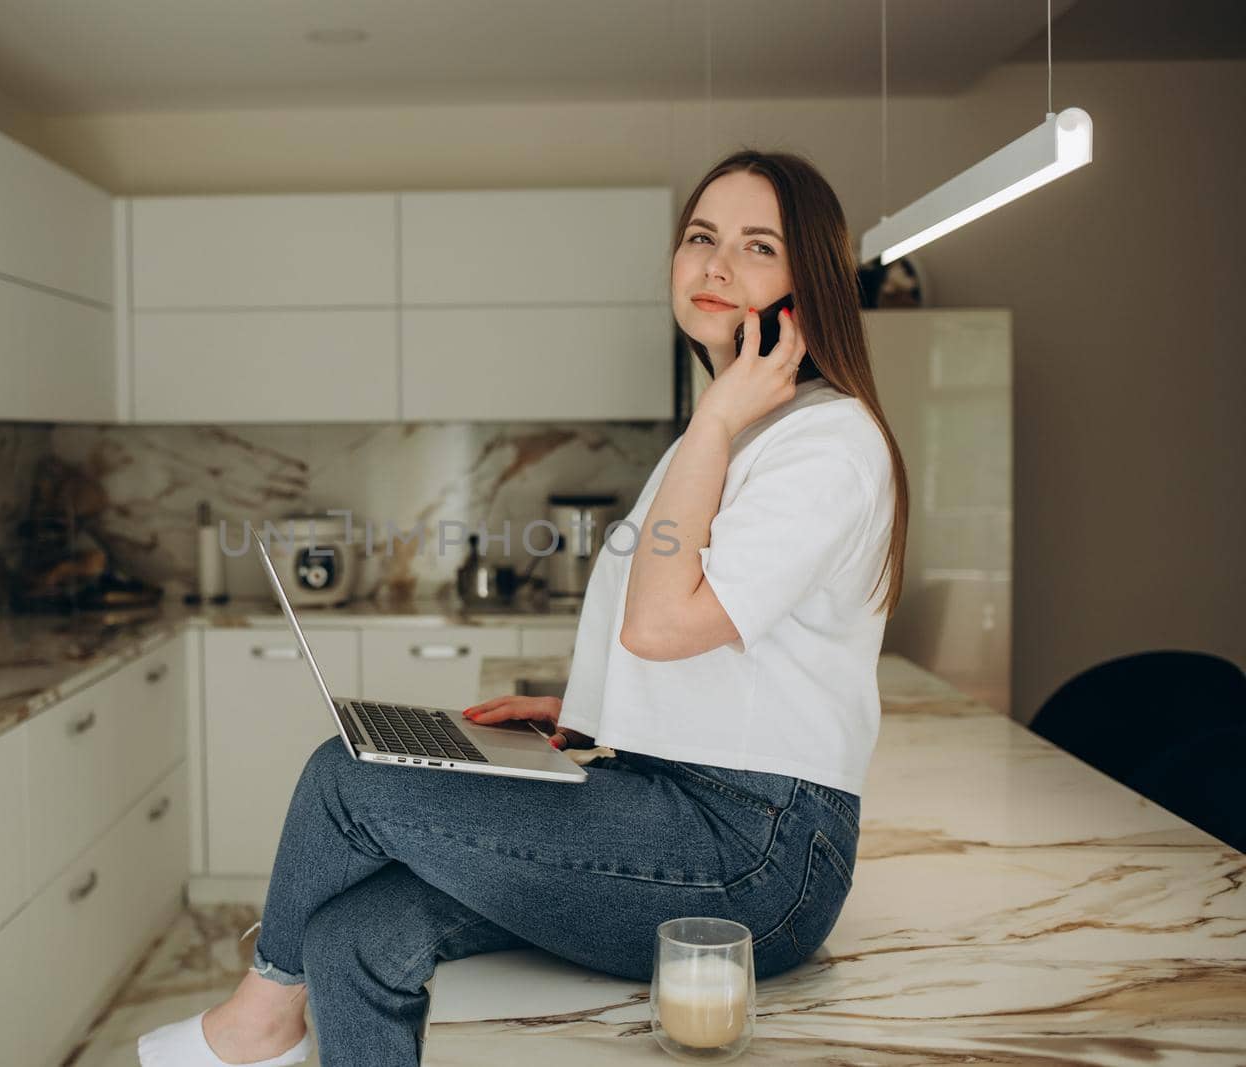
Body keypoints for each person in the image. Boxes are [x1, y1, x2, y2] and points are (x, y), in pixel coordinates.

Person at [137, 150, 910, 1067]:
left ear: (806, 285)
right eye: (701, 238)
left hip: (756, 858)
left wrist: (711, 420)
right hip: (673, 799)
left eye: (756, 248)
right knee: (350, 935)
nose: (714, 267)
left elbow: (661, 624)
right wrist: (584, 715)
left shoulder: (824, 443)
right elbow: (709, 640)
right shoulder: (739, 431)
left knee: (347, 778)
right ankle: (278, 1010)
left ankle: (257, 1019)